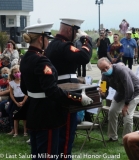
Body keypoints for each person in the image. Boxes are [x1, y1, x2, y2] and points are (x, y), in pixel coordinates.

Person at [20, 23, 93, 159]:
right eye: (47, 38)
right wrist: (78, 98)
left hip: (33, 111)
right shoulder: (42, 62)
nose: (49, 42)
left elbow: (24, 88)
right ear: (41, 39)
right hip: (47, 114)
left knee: (37, 154)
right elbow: (52, 91)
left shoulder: (25, 59)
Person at [44, 18, 92, 159]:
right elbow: (84, 56)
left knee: (59, 132)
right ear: (70, 30)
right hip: (66, 91)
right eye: (76, 31)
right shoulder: (64, 46)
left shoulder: (52, 45)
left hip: (57, 91)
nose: (76, 34)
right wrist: (86, 39)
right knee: (66, 134)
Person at [97, 57, 139, 141]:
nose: (106, 70)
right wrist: (102, 93)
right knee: (112, 111)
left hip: (134, 91)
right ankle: (112, 136)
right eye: (103, 69)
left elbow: (130, 88)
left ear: (110, 63)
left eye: (106, 67)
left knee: (127, 116)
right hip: (121, 92)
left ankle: (127, 138)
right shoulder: (104, 75)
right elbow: (104, 93)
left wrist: (126, 105)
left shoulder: (121, 70)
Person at [8, 65, 28, 137]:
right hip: (16, 100)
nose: (17, 73)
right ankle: (15, 132)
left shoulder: (24, 81)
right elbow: (11, 94)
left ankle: (25, 132)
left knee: (24, 117)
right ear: (12, 74)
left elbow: (27, 92)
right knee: (15, 117)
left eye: (18, 72)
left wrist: (23, 101)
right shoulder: (11, 83)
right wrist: (16, 102)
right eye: (15, 72)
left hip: (23, 99)